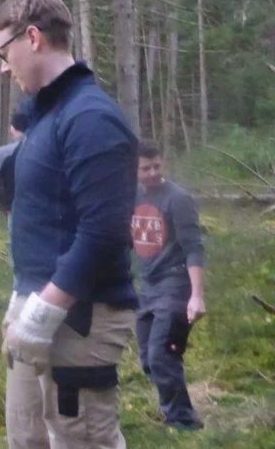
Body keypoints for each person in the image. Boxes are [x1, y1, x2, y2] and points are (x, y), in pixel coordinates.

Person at [0, 0, 138, 449]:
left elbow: (104, 232)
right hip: (35, 303)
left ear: (32, 37)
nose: (2, 66)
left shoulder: (91, 117)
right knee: (27, 438)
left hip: (79, 319)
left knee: (80, 440)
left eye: (3, 51)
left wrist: (42, 314)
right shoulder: (47, 117)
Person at [133, 139, 206, 431]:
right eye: (145, 168)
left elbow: (194, 247)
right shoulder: (132, 196)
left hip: (175, 285)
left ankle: (183, 422)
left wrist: (197, 296)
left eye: (157, 166)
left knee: (162, 355)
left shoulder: (178, 198)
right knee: (148, 361)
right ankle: (176, 411)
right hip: (145, 286)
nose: (152, 173)